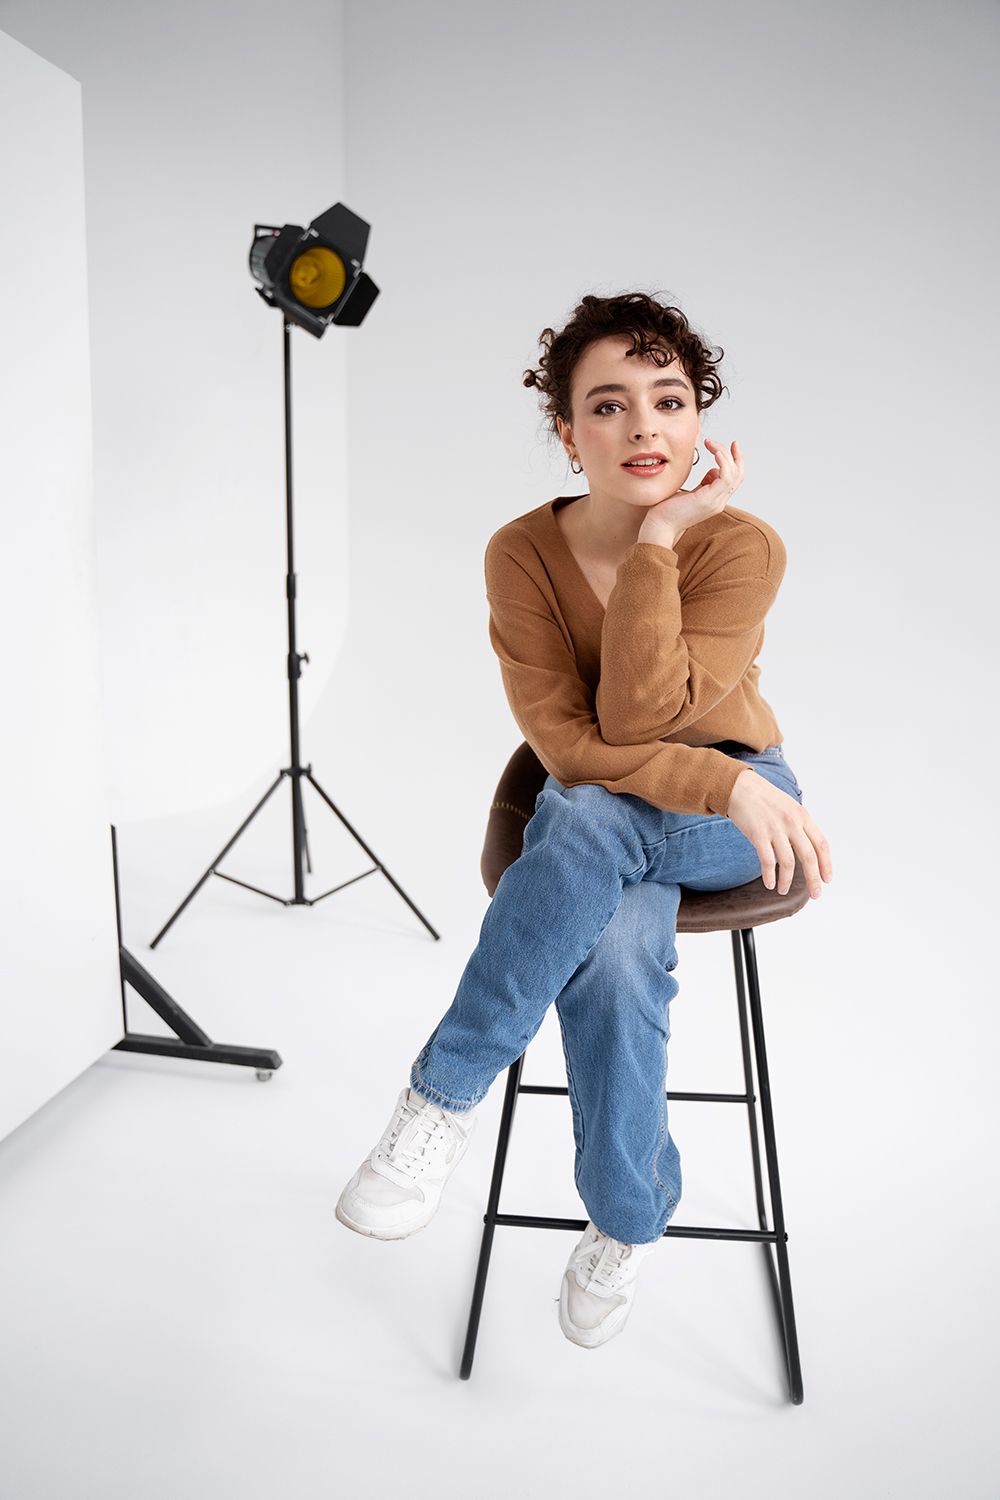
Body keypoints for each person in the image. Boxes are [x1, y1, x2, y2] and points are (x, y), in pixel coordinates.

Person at [336, 291, 833, 1352]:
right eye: (607, 406)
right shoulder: (520, 554)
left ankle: (439, 1102)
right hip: (613, 798)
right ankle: (625, 1221)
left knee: (589, 822)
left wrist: (660, 542)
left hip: (741, 809)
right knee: (606, 941)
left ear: (697, 418)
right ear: (567, 432)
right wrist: (703, 780)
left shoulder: (739, 549)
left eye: (667, 399)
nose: (643, 427)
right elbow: (569, 744)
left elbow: (645, 714)